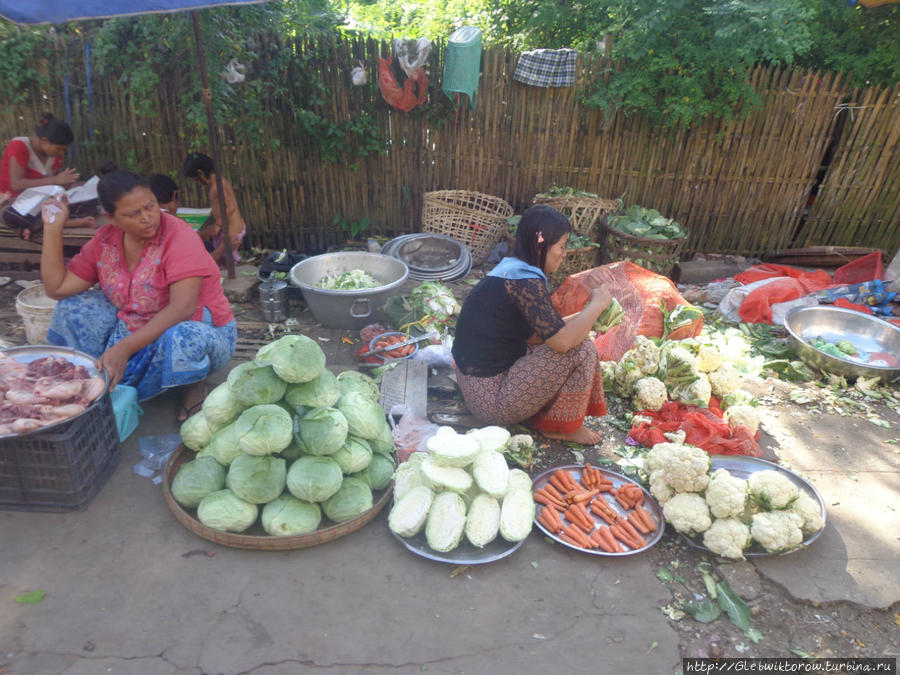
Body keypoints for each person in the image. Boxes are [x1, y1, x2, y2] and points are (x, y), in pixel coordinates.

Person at [39, 169, 237, 422]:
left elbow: (183, 308)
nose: (147, 218)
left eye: (150, 206)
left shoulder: (178, 236)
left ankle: (192, 387)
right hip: (133, 329)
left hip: (201, 333)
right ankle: (90, 381)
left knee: (185, 335)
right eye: (134, 214)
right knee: (73, 308)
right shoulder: (105, 241)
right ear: (111, 218)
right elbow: (57, 288)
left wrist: (123, 348)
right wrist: (53, 228)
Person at [451, 204, 613, 445]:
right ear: (541, 247)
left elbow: (542, 334)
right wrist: (597, 306)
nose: (564, 253)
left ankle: (552, 417)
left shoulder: (511, 270)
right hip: (491, 401)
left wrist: (585, 316)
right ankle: (563, 428)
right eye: (561, 246)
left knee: (572, 338)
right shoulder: (525, 281)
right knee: (582, 349)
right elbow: (562, 341)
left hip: (474, 386)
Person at [0, 113, 96, 239]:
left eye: (63, 150)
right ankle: (66, 222)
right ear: (44, 140)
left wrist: (71, 186)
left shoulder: (53, 155)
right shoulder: (19, 146)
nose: (60, 153)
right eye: (59, 149)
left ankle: (37, 225)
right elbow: (17, 184)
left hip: (40, 200)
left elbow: (52, 186)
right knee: (11, 215)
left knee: (87, 198)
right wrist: (55, 180)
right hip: (13, 200)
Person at [183, 152, 246, 266]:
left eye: (196, 180)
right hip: (228, 227)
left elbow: (230, 207)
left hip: (232, 230)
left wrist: (217, 225)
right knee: (221, 256)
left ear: (201, 173)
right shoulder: (218, 183)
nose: (198, 183)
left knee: (228, 259)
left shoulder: (217, 186)